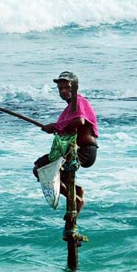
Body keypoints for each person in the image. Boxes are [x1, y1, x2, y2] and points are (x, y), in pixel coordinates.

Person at [33, 71, 99, 214]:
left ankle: (75, 199)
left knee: (44, 169)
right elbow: (67, 128)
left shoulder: (79, 102)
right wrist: (54, 128)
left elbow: (79, 121)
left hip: (84, 150)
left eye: (67, 88)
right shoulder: (69, 109)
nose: (63, 91)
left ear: (74, 88)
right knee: (45, 168)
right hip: (72, 151)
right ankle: (77, 191)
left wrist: (56, 126)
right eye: (60, 89)